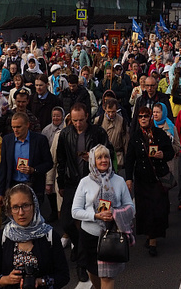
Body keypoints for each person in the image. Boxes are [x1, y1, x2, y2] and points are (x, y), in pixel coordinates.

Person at [55, 103, 112, 282]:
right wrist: (60, 182)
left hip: (93, 182)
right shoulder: (65, 134)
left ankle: (82, 265)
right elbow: (61, 159)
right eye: (74, 121)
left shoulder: (98, 133)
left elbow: (108, 154)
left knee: (88, 221)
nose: (78, 124)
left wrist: (93, 159)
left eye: (80, 120)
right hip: (72, 182)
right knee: (66, 222)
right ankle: (78, 244)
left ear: (87, 116)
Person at [72, 145, 134, 288]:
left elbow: (131, 207)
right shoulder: (85, 182)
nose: (103, 160)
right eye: (99, 157)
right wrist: (96, 216)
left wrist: (115, 214)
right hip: (89, 236)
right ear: (93, 160)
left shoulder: (119, 181)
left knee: (107, 276)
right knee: (92, 271)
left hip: (111, 236)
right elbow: (75, 211)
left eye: (106, 157)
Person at [0, 183, 69, 289]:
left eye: (25, 205)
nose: (21, 212)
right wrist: (6, 280)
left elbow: (63, 276)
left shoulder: (49, 235)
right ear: (10, 210)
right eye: (15, 207)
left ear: (34, 205)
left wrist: (41, 281)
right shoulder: (4, 236)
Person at [125, 106, 175, 257]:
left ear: (150, 118)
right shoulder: (135, 137)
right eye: (140, 116)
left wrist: (162, 155)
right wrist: (129, 179)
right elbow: (129, 160)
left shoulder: (160, 134)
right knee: (144, 210)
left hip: (157, 179)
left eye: (146, 116)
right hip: (142, 179)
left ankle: (153, 240)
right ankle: (149, 235)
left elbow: (171, 152)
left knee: (157, 209)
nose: (143, 119)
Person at [0, 112, 53, 209]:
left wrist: (33, 170)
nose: (15, 130)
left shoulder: (40, 140)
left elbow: (49, 163)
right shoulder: (7, 140)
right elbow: (3, 168)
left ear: (27, 125)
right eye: (13, 127)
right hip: (13, 185)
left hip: (33, 186)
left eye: (18, 127)